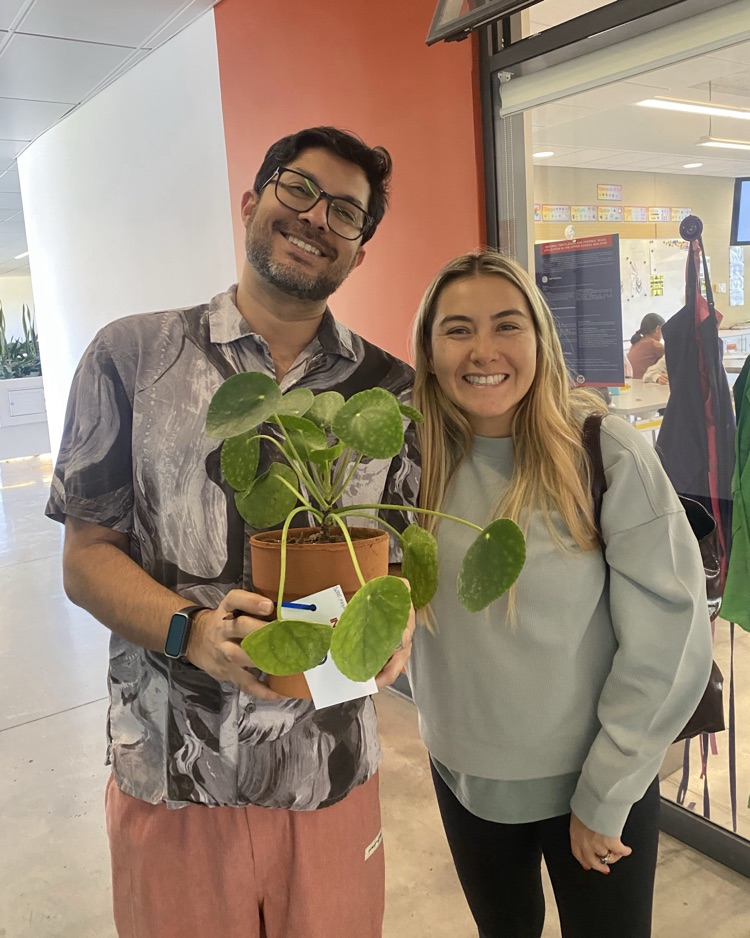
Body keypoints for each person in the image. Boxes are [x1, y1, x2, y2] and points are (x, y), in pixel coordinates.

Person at [46, 126, 420, 938]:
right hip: (174, 769)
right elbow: (85, 560)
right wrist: (191, 632)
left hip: (328, 767)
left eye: (347, 213)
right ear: (252, 202)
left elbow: (395, 565)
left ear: (360, 252)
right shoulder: (132, 358)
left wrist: (402, 627)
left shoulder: (390, 393)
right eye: (298, 190)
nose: (318, 217)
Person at [407, 250, 713, 938]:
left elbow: (669, 636)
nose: (483, 350)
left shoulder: (603, 451)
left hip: (595, 781)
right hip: (465, 777)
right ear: (427, 350)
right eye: (457, 329)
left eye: (506, 325)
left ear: (541, 337)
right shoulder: (409, 462)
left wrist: (606, 793)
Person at [627, 313, 665, 378]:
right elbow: (671, 360)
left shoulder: (636, 342)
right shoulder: (655, 345)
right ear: (658, 329)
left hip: (631, 382)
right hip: (644, 382)